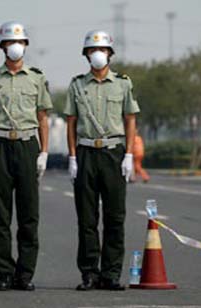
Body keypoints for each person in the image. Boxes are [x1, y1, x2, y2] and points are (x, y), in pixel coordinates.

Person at [0, 21, 53, 291]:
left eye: (19, 42)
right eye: (10, 43)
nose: (15, 47)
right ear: (2, 47)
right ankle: (5, 274)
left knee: (29, 214)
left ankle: (25, 274)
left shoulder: (37, 77)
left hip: (27, 145)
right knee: (1, 215)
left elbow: (43, 118)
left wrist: (43, 152)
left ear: (26, 46)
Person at [64, 30, 140, 291]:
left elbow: (130, 119)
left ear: (110, 53)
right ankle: (89, 273)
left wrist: (129, 154)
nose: (98, 54)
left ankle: (111, 274)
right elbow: (71, 123)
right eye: (93, 50)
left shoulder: (123, 84)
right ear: (86, 54)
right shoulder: (77, 85)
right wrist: (72, 157)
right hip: (85, 153)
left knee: (115, 217)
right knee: (86, 219)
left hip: (113, 153)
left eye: (102, 49)